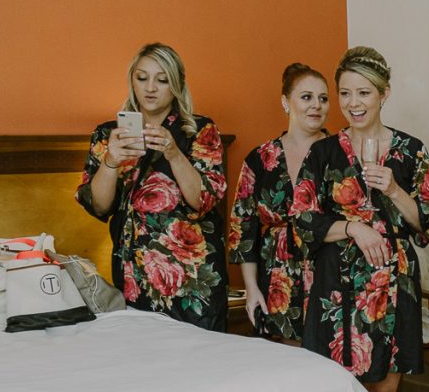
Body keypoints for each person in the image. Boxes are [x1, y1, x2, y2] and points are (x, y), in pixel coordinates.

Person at [291, 46, 429, 392]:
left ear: (384, 93)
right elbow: (302, 217)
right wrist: (354, 228)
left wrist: (394, 190)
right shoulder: (323, 153)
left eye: (364, 93)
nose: (353, 103)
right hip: (336, 286)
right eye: (344, 93)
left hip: (391, 283)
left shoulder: (410, 151)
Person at [76, 42, 228, 331]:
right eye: (142, 78)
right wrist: (110, 162)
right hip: (134, 275)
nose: (151, 88)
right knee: (144, 363)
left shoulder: (199, 130)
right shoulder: (109, 134)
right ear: (131, 80)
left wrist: (173, 153)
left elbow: (204, 200)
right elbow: (98, 206)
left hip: (192, 280)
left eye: (162, 80)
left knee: (200, 364)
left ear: (177, 84)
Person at [228, 63, 330, 340]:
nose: (316, 106)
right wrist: (252, 289)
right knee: (290, 361)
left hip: (331, 270)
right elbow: (243, 229)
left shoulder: (342, 154)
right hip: (277, 275)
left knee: (334, 360)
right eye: (306, 97)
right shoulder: (261, 159)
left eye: (323, 98)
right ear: (286, 102)